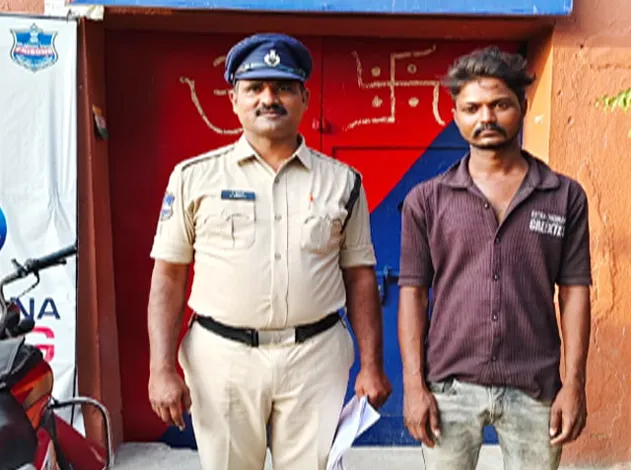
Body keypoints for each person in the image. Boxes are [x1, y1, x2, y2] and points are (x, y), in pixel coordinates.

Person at [146, 33, 391, 470]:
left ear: (304, 98)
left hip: (315, 358)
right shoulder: (193, 178)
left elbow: (359, 276)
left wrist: (372, 365)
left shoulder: (343, 182)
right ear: (234, 99)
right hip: (222, 359)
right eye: (255, 88)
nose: (268, 99)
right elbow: (169, 274)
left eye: (283, 87)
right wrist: (161, 367)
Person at [397, 46, 592, 469]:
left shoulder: (564, 196)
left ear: (522, 106)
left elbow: (575, 291)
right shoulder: (426, 200)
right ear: (455, 115)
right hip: (449, 388)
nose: (485, 117)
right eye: (472, 108)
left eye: (500, 104)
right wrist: (413, 385)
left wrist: (574, 382)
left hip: (535, 386)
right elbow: (412, 293)